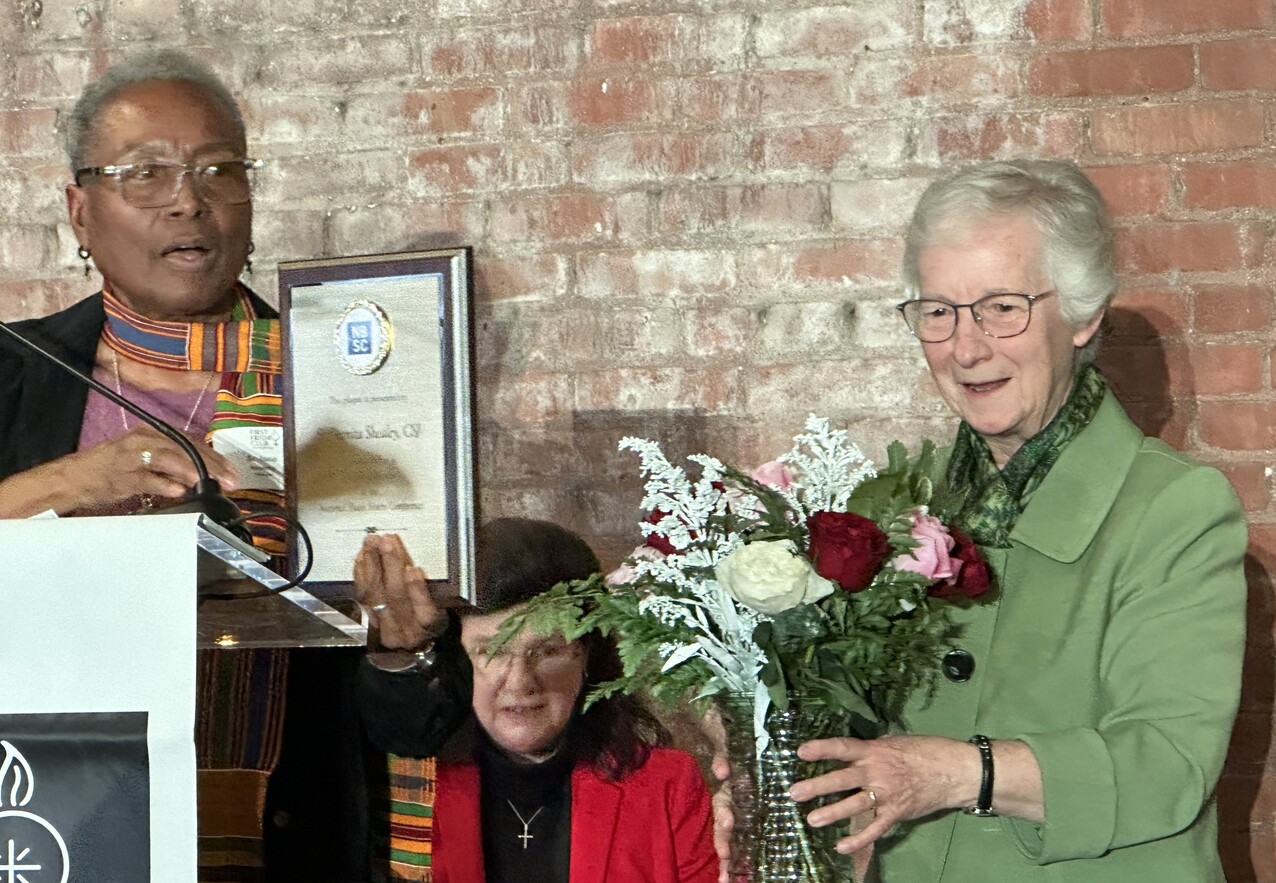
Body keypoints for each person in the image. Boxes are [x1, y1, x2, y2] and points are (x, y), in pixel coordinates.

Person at [788, 159, 1248, 881]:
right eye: (938, 311)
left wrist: (955, 771)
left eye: (1002, 307)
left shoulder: (1175, 509)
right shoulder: (894, 504)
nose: (966, 347)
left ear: (1084, 312)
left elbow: (1168, 763)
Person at [0, 49, 377, 882]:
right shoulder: (18, 372)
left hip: (285, 830)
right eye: (146, 173)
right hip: (43, 814)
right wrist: (66, 483)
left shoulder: (338, 382)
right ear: (79, 210)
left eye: (219, 170)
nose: (188, 200)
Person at [355, 518, 719, 882]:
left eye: (546, 651)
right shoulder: (414, 790)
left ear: (587, 656)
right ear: (459, 661)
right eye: (491, 651)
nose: (519, 682)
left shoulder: (669, 784)